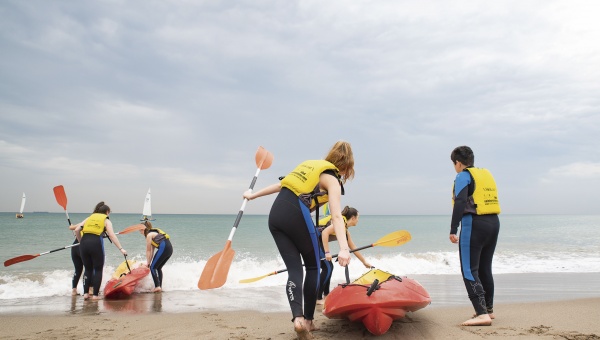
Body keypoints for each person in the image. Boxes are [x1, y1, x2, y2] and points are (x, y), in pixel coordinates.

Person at [243, 140, 355, 340]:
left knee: (295, 270)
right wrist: (344, 248)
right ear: (346, 166)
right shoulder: (332, 179)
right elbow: (337, 216)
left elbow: (280, 185)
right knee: (313, 267)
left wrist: (252, 196)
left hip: (276, 215)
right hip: (296, 214)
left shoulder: (309, 166)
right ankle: (309, 321)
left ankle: (297, 319)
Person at [449, 146, 501, 326]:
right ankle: (489, 309)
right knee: (485, 267)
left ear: (458, 163)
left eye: (454, 164)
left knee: (469, 270)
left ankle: (481, 314)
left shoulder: (463, 175)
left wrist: (453, 228)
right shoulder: (485, 174)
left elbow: (461, 201)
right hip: (493, 223)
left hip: (474, 224)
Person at [72, 202, 127, 300]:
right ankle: (95, 295)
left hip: (84, 244)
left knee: (88, 269)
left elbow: (76, 230)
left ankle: (85, 294)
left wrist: (81, 242)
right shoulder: (106, 220)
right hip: (96, 243)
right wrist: (121, 248)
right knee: (98, 269)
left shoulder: (89, 218)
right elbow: (111, 235)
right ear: (107, 212)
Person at [317, 206, 372, 304]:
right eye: (358, 218)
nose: (358, 221)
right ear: (353, 218)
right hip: (312, 240)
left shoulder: (345, 230)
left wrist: (364, 262)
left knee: (329, 267)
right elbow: (324, 233)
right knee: (328, 268)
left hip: (317, 242)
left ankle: (326, 295)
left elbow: (353, 247)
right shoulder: (340, 222)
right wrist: (327, 252)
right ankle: (318, 298)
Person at [68, 202, 104, 296]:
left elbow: (72, 228)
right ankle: (91, 290)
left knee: (78, 269)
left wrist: (72, 225)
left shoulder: (88, 219)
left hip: (75, 246)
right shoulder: (98, 221)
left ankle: (74, 290)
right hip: (84, 246)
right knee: (90, 268)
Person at [141, 220, 173, 293]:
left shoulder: (149, 235)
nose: (140, 232)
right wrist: (148, 262)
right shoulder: (153, 234)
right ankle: (159, 287)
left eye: (140, 230)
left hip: (164, 247)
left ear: (143, 229)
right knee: (158, 268)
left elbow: (148, 250)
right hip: (169, 249)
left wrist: (148, 263)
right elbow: (152, 251)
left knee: (153, 267)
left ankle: (157, 286)